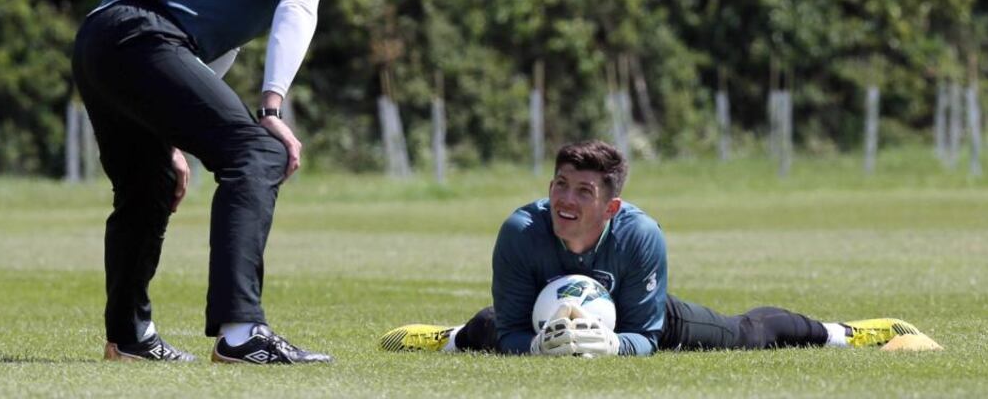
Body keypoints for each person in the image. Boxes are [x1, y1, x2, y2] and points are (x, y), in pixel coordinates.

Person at [72, 0, 397, 364]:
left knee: (149, 183)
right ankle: (243, 333)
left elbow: (210, 47)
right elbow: (300, 4)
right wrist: (271, 110)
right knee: (258, 151)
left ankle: (129, 339)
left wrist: (170, 134)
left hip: (104, 37)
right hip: (145, 37)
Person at [379, 140, 932, 356]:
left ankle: (846, 332)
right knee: (486, 330)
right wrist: (536, 347)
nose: (566, 200)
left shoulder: (641, 234)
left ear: (611, 206)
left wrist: (613, 348)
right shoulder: (521, 232)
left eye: (584, 191)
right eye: (560, 185)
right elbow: (513, 328)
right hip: (535, 318)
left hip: (639, 320)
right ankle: (443, 337)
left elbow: (645, 334)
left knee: (745, 334)